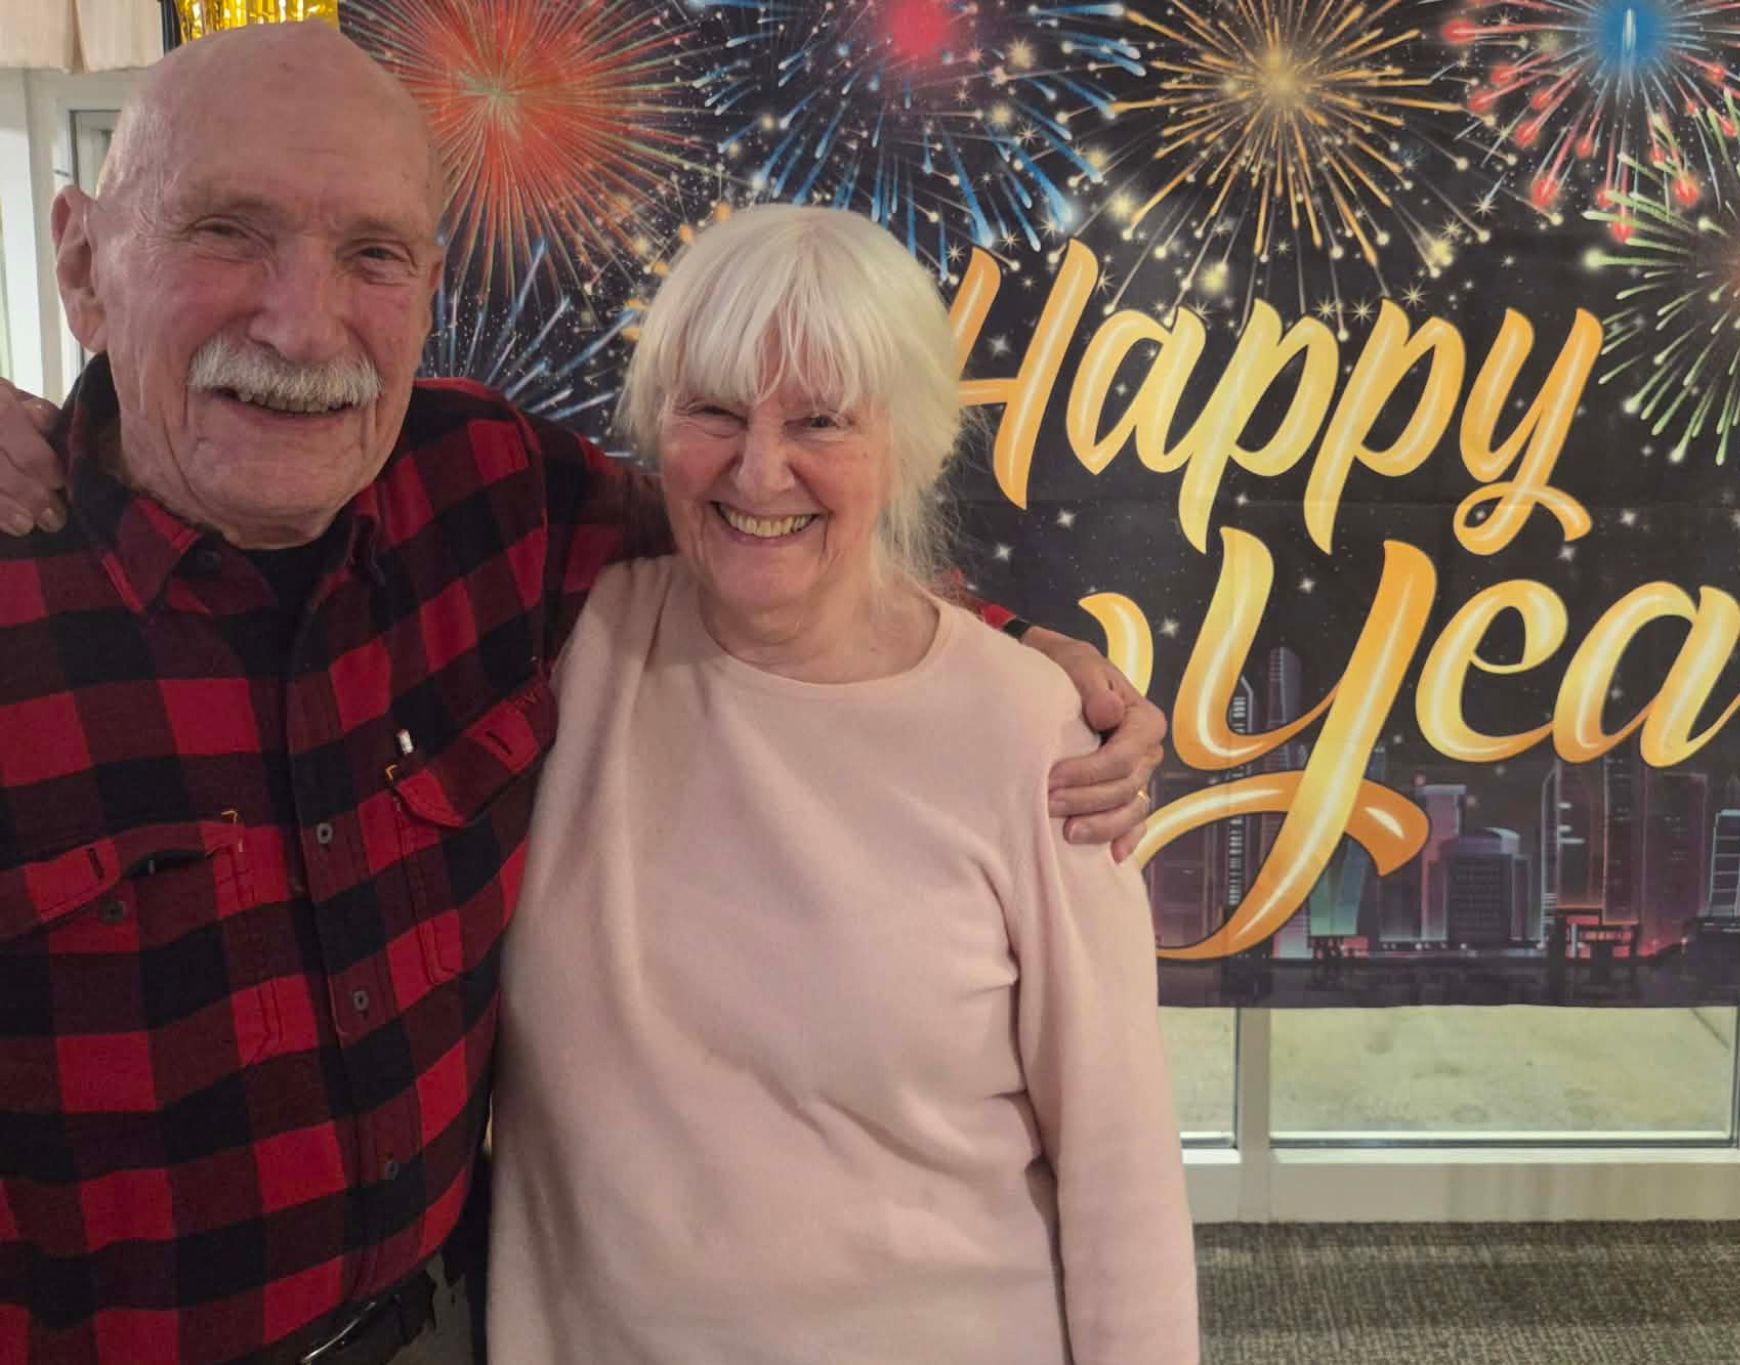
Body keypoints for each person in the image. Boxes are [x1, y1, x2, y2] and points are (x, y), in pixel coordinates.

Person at [0, 25, 1163, 1365]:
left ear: (430, 285)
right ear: (85, 261)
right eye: (227, 231)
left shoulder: (492, 494)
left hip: (447, 1327)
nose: (301, 320)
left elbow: (768, 549)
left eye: (371, 254)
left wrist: (1031, 663)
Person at [487, 202, 1198, 1364]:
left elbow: (1118, 1171)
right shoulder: (570, 652)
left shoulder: (1030, 731)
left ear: (910, 444)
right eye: (711, 410)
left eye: (821, 420)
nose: (757, 468)